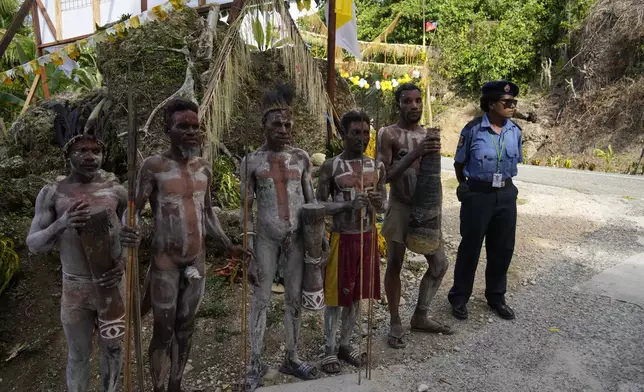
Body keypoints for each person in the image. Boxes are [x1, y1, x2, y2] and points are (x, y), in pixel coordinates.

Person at [119, 98, 251, 392]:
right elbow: (134, 210)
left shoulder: (204, 167)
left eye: (196, 126)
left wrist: (229, 245)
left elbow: (207, 213)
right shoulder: (154, 166)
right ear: (168, 129)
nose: (192, 132)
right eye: (183, 126)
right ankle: (157, 387)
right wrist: (129, 231)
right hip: (165, 264)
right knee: (163, 331)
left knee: (186, 328)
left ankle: (176, 384)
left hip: (196, 263)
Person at [26, 104, 126, 392]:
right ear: (67, 154)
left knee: (114, 350)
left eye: (96, 151)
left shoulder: (116, 191)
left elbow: (130, 235)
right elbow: (33, 245)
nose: (90, 156)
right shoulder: (53, 194)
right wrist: (62, 224)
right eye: (81, 150)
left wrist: (122, 264)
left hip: (111, 287)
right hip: (76, 290)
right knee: (79, 355)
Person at [240, 83, 319, 390]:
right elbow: (246, 209)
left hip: (297, 238)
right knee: (260, 299)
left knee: (294, 298)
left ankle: (292, 355)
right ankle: (255, 362)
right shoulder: (252, 162)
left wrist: (317, 237)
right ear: (264, 125)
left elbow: (311, 202)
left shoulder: (301, 158)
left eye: (288, 124)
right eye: (277, 124)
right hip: (266, 238)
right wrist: (248, 251)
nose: (284, 129)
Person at [377, 82, 454, 349]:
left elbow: (432, 177)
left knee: (439, 264)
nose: (414, 106)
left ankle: (420, 315)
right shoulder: (388, 134)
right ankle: (395, 321)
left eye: (418, 101)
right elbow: (384, 176)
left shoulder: (427, 135)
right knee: (395, 265)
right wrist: (416, 153)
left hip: (425, 210)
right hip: (400, 206)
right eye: (407, 101)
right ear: (398, 104)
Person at [316, 110, 386, 374]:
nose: (362, 137)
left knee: (357, 294)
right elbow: (319, 204)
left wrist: (380, 203)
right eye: (355, 132)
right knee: (335, 296)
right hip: (341, 238)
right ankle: (329, 349)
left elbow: (385, 203)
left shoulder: (376, 166)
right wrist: (345, 204)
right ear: (343, 133)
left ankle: (346, 344)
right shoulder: (331, 166)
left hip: (367, 236)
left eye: (366, 132)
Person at [448, 80, 522, 321]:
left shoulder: (515, 131)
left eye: (514, 102)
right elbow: (459, 163)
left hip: (506, 194)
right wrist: (464, 188)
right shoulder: (472, 130)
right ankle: (459, 298)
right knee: (470, 247)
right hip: (478, 195)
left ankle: (496, 296)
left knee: (503, 248)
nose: (512, 106)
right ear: (491, 104)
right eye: (507, 102)